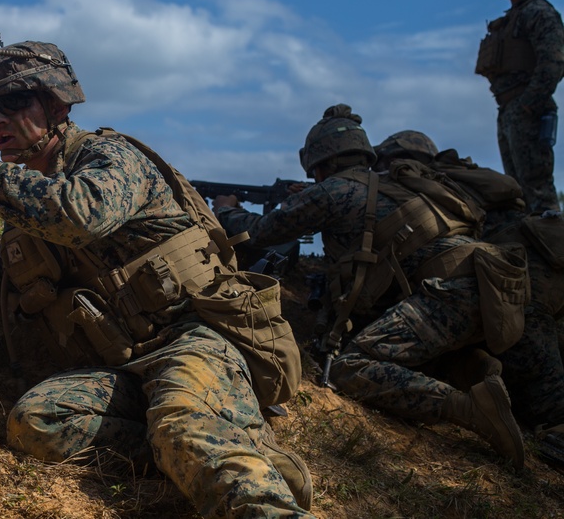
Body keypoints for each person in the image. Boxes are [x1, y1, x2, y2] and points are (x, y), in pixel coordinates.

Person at [0, 32, 315, 518]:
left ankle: (260, 497)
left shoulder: (110, 159)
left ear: (55, 103)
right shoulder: (27, 199)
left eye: (12, 101)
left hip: (195, 338)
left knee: (181, 425)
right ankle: (218, 450)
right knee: (36, 423)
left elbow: (80, 215)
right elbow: (9, 275)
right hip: (126, 366)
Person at [214, 105, 529, 469]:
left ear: (319, 163)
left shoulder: (333, 190)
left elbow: (263, 231)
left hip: (450, 293)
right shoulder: (397, 184)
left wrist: (225, 210)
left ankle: (473, 409)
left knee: (352, 367)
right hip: (487, 287)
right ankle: (475, 371)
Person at [372, 130, 564, 438]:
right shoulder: (464, 178)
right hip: (546, 261)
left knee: (547, 405)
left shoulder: (422, 187)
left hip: (520, 279)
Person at [475, 0, 564, 214]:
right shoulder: (514, 16)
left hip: (527, 110)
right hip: (510, 110)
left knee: (538, 193)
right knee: (519, 195)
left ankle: (555, 253)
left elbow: (554, 62)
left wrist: (528, 104)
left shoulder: (538, 13)